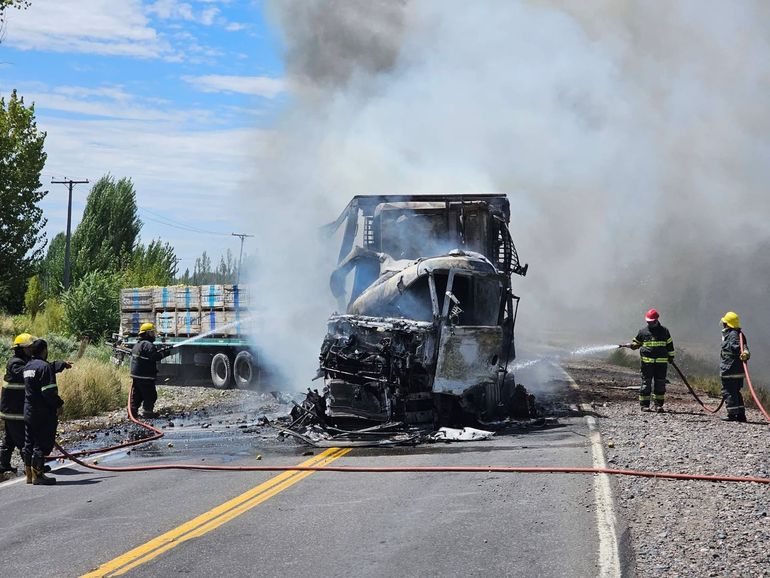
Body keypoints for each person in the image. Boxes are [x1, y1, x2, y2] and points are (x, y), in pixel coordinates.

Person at [22, 339, 71, 485]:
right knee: (42, 442)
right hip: (42, 411)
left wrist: (61, 364)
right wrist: (59, 404)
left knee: (29, 441)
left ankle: (29, 475)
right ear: (44, 350)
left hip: (29, 409)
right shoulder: (44, 367)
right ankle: (39, 475)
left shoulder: (28, 366)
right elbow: (48, 391)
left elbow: (46, 368)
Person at [624, 308, 675, 412]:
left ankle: (658, 405)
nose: (649, 323)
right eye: (648, 322)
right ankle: (644, 405)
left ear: (656, 320)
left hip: (661, 364)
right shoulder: (643, 332)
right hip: (647, 364)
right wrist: (632, 345)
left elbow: (670, 345)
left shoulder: (664, 331)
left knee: (660, 384)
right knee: (646, 383)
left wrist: (671, 357)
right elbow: (636, 343)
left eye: (651, 322)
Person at [0, 333, 34, 475]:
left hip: (12, 410)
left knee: (9, 440)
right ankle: (32, 468)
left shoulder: (24, 362)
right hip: (14, 411)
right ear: (21, 349)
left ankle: (3, 465)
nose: (32, 350)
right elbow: (30, 373)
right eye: (29, 348)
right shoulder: (16, 363)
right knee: (22, 440)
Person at [130, 322, 172, 419]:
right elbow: (154, 357)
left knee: (137, 395)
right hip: (145, 376)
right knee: (150, 395)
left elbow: (148, 355)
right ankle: (148, 412)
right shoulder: (148, 345)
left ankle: (132, 412)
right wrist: (164, 353)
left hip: (137, 376)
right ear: (147, 333)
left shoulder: (138, 344)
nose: (153, 336)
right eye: (152, 333)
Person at [719, 311, 749, 422]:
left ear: (728, 324)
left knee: (729, 391)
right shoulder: (738, 334)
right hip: (737, 370)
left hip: (730, 369)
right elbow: (744, 348)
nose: (723, 324)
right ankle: (741, 415)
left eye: (725, 323)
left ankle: (732, 414)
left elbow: (738, 347)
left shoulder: (733, 335)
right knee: (736, 392)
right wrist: (745, 353)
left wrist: (744, 353)